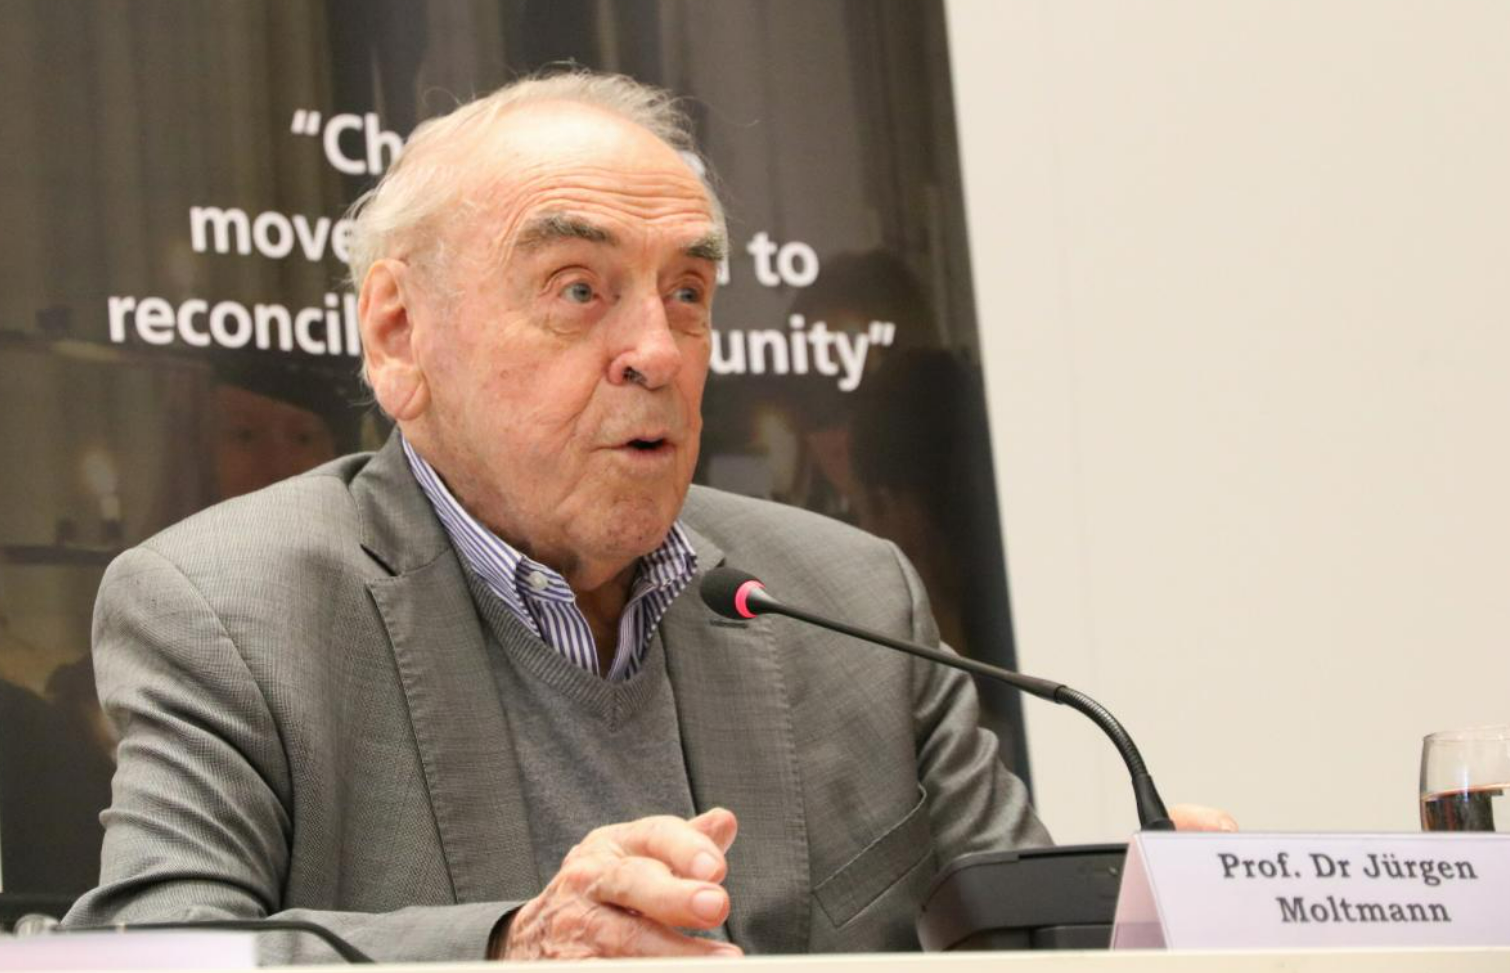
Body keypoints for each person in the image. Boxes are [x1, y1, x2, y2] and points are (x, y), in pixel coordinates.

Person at [66, 70, 1228, 962]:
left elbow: (1012, 941)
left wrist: (1136, 925)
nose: (656, 352)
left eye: (687, 293)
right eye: (578, 289)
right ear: (399, 334)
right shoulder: (231, 606)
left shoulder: (849, 597)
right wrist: (508, 949)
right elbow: (151, 956)